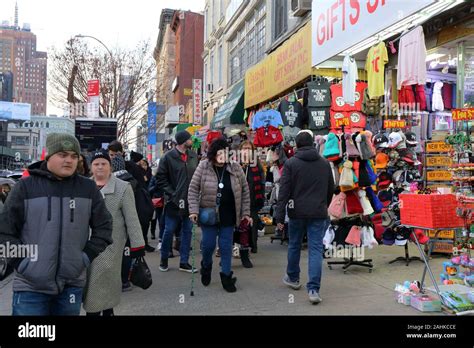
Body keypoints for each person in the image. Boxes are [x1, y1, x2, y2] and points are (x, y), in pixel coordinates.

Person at [0, 133, 113, 315]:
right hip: (30, 288)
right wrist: (22, 263)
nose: (69, 160)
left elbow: (105, 227)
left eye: (74, 156)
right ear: (49, 156)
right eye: (62, 154)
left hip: (71, 286)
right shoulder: (25, 187)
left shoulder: (87, 188)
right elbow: (4, 231)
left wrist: (84, 258)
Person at [275, 130, 334, 304]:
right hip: (318, 212)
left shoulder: (291, 164)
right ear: (313, 144)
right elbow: (331, 188)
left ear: (297, 145)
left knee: (294, 244)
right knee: (315, 249)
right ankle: (314, 290)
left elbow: (284, 191)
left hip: (296, 211)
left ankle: (293, 278)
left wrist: (279, 216)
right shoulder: (324, 163)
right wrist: (324, 205)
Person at [83, 151, 145, 316]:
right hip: (85, 243)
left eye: (104, 163)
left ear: (110, 167)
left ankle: (98, 311)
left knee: (103, 279)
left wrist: (137, 246)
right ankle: (106, 310)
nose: (100, 167)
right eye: (96, 164)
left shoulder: (122, 187)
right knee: (92, 282)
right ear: (91, 167)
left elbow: (132, 218)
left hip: (112, 244)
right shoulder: (84, 186)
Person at [188, 138, 252, 293]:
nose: (223, 156)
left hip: (229, 215)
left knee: (225, 247)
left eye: (225, 152)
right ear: (213, 154)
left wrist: (245, 213)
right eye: (220, 152)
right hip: (209, 215)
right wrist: (194, 210)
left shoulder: (235, 167)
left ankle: (226, 277)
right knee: (208, 245)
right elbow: (193, 189)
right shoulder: (204, 166)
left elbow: (244, 191)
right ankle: (206, 266)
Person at [156, 131, 198, 273]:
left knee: (188, 231)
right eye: (189, 138)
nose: (191, 140)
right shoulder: (168, 157)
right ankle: (164, 258)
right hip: (173, 201)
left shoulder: (193, 156)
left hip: (190, 200)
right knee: (169, 230)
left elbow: (197, 176)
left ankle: (184, 261)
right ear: (183, 141)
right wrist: (172, 194)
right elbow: (160, 178)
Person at [108, 141, 155, 253]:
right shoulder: (107, 167)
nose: (113, 157)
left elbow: (140, 185)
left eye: (116, 154)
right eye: (111, 154)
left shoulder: (132, 166)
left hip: (134, 202)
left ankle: (140, 245)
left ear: (122, 153)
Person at [238, 140, 265, 267]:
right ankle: (241, 245)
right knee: (241, 222)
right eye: (245, 148)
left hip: (254, 197)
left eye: (249, 149)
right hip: (240, 198)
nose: (247, 151)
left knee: (252, 222)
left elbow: (261, 180)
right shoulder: (237, 163)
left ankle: (252, 245)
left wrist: (262, 197)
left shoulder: (256, 163)